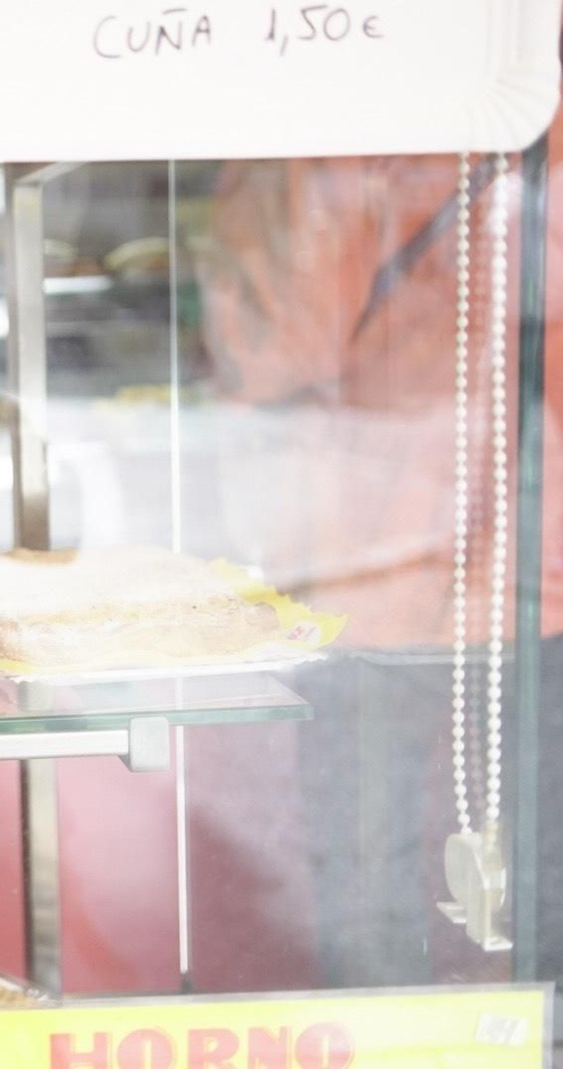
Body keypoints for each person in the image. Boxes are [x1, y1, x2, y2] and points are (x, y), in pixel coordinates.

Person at [198, 110, 563, 988]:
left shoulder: (350, 92)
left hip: (373, 558)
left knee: (370, 915)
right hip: (535, 564)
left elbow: (270, 346)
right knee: (547, 901)